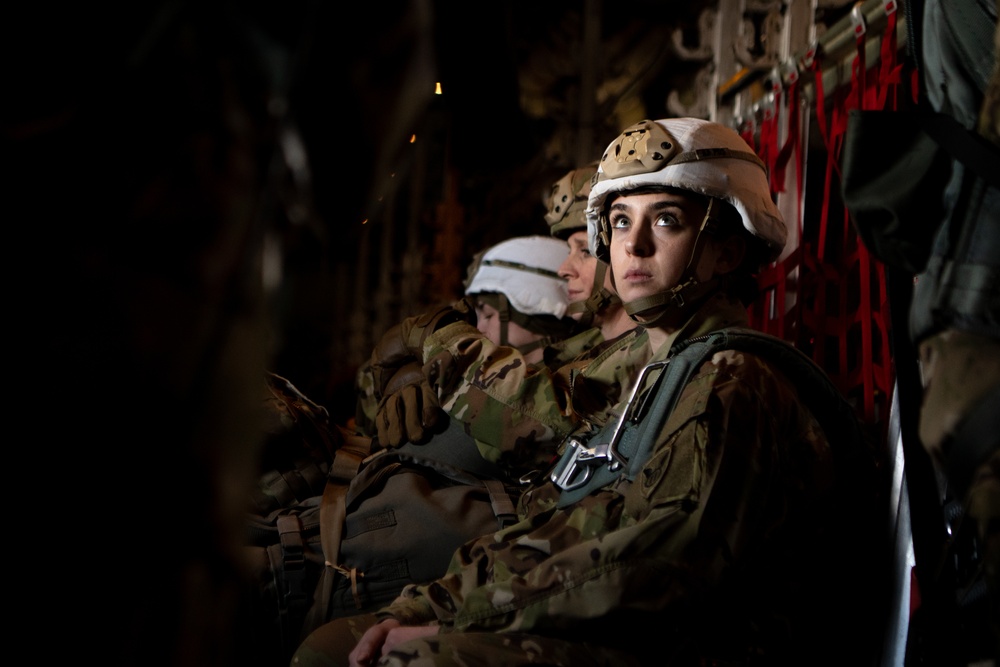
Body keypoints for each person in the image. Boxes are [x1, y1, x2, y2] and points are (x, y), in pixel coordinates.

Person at [290, 117, 885, 666]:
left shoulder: (732, 377)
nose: (636, 245)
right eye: (622, 221)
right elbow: (565, 521)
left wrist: (460, 620)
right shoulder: (656, 371)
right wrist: (425, 606)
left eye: (668, 220)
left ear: (728, 250)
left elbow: (658, 566)